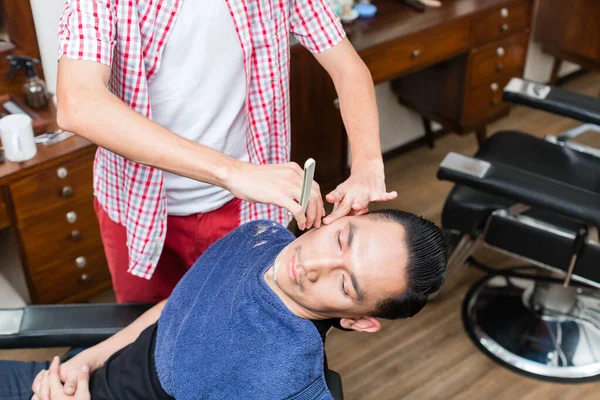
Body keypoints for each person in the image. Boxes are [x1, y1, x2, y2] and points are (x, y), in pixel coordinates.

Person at [56, 0, 397, 304]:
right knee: (143, 336)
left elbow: (347, 67)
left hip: (245, 209)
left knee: (237, 331)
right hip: (135, 204)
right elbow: (79, 103)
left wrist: (367, 163)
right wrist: (235, 172)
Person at [0, 209, 446, 399]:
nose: (314, 262)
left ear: (360, 321)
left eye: (345, 284)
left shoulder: (284, 385)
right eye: (341, 238)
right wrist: (86, 363)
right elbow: (179, 306)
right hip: (81, 376)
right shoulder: (260, 237)